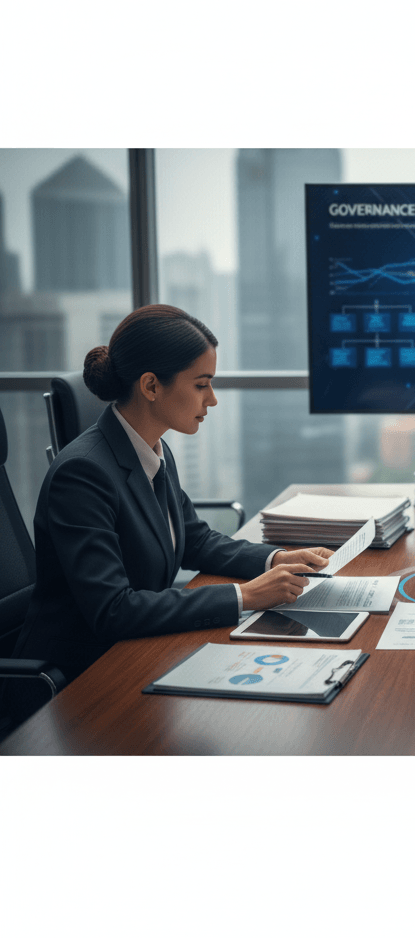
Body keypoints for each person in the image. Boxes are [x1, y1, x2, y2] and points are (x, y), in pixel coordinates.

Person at [13, 305, 334, 713]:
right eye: (201, 385)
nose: (212, 399)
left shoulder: (150, 447)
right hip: (76, 686)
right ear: (150, 385)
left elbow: (192, 539)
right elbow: (113, 610)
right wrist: (244, 596)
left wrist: (276, 557)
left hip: (135, 654)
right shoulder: (83, 474)